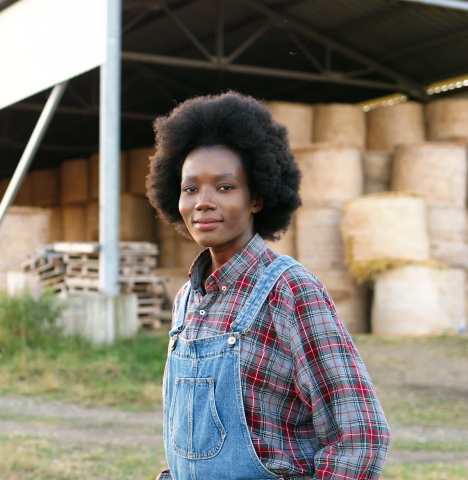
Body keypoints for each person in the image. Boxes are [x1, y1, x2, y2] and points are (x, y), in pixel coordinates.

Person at [146, 91, 390, 479]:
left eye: (224, 187)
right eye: (190, 188)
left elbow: (359, 435)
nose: (202, 202)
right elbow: (192, 440)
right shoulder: (188, 298)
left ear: (257, 198)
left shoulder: (290, 290)